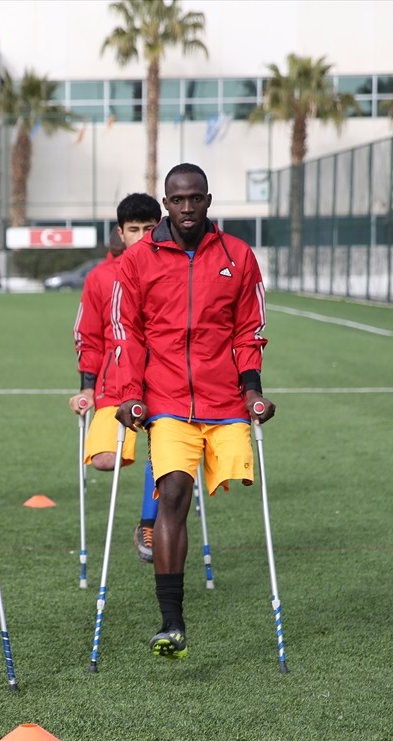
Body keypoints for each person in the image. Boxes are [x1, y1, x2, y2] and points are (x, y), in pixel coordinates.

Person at [112, 163, 275, 660]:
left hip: (225, 399)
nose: (187, 208)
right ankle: (171, 621)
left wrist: (253, 391)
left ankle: (175, 613)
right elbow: (127, 333)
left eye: (196, 199)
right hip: (165, 401)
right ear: (166, 203)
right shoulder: (138, 260)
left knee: (231, 489)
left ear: (208, 201)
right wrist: (129, 394)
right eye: (178, 200)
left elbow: (250, 328)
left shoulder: (237, 255)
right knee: (174, 492)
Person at [69, 193, 162, 562]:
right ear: (120, 233)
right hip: (116, 384)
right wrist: (86, 387)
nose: (141, 236)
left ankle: (148, 522)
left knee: (164, 449)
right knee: (105, 460)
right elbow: (89, 336)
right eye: (134, 230)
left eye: (149, 229)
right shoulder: (101, 278)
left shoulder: (172, 269)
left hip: (164, 381)